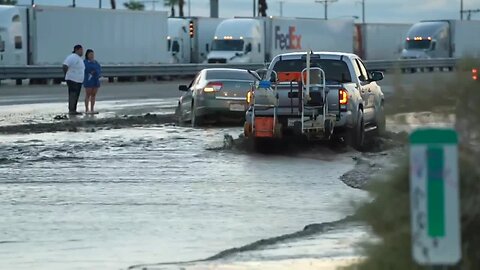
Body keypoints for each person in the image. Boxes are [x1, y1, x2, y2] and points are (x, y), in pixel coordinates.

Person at [63, 45, 85, 115]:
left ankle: (74, 109)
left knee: (76, 95)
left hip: (78, 80)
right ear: (76, 50)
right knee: (73, 94)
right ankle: (71, 110)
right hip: (72, 79)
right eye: (81, 50)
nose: (82, 52)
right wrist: (67, 74)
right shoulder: (72, 57)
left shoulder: (79, 58)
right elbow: (65, 65)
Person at [83, 49, 102, 114]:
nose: (92, 56)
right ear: (87, 55)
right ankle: (86, 109)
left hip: (95, 79)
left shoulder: (96, 62)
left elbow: (99, 69)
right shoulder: (85, 62)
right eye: (90, 54)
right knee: (88, 94)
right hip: (88, 80)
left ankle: (92, 109)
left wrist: (97, 73)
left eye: (92, 54)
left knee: (93, 95)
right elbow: (86, 69)